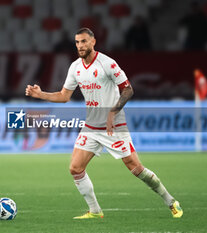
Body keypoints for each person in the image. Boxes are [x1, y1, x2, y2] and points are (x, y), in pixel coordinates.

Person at [25, 28, 183, 219]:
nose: (80, 46)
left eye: (84, 41)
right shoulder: (75, 67)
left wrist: (113, 112)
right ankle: (95, 211)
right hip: (91, 126)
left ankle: (170, 201)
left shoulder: (108, 64)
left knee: (136, 169)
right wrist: (40, 94)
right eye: (77, 42)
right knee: (75, 168)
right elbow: (64, 96)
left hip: (114, 126)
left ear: (93, 42)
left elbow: (128, 90)